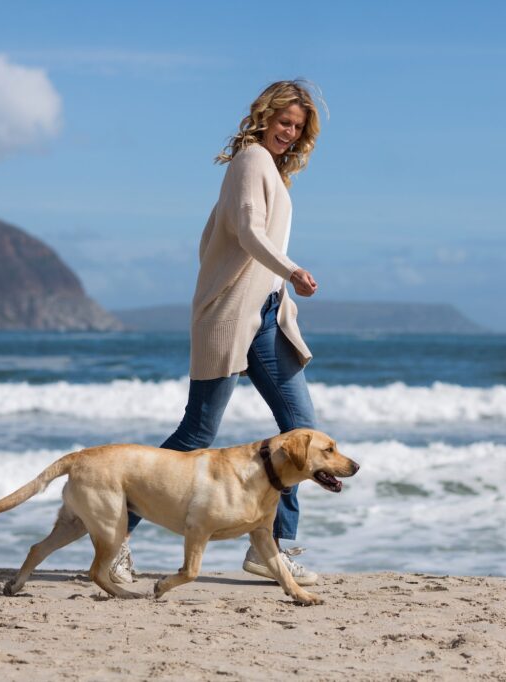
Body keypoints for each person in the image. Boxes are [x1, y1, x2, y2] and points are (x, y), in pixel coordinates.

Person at [113, 80, 324, 586]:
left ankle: (273, 547)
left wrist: (279, 288)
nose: (290, 135)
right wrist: (292, 269)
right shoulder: (250, 160)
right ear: (265, 118)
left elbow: (223, 240)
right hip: (232, 319)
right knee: (198, 432)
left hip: (268, 320)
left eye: (297, 129)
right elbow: (248, 233)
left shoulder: (270, 170)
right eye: (284, 124)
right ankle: (117, 535)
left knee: (300, 431)